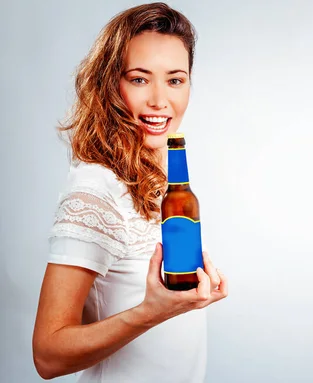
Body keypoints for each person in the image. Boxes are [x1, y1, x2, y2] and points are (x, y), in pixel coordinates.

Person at [32, 3, 228, 382]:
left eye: (175, 80)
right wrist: (151, 312)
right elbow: (48, 355)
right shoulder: (95, 188)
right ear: (111, 84)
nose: (159, 100)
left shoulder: (159, 177)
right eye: (139, 79)